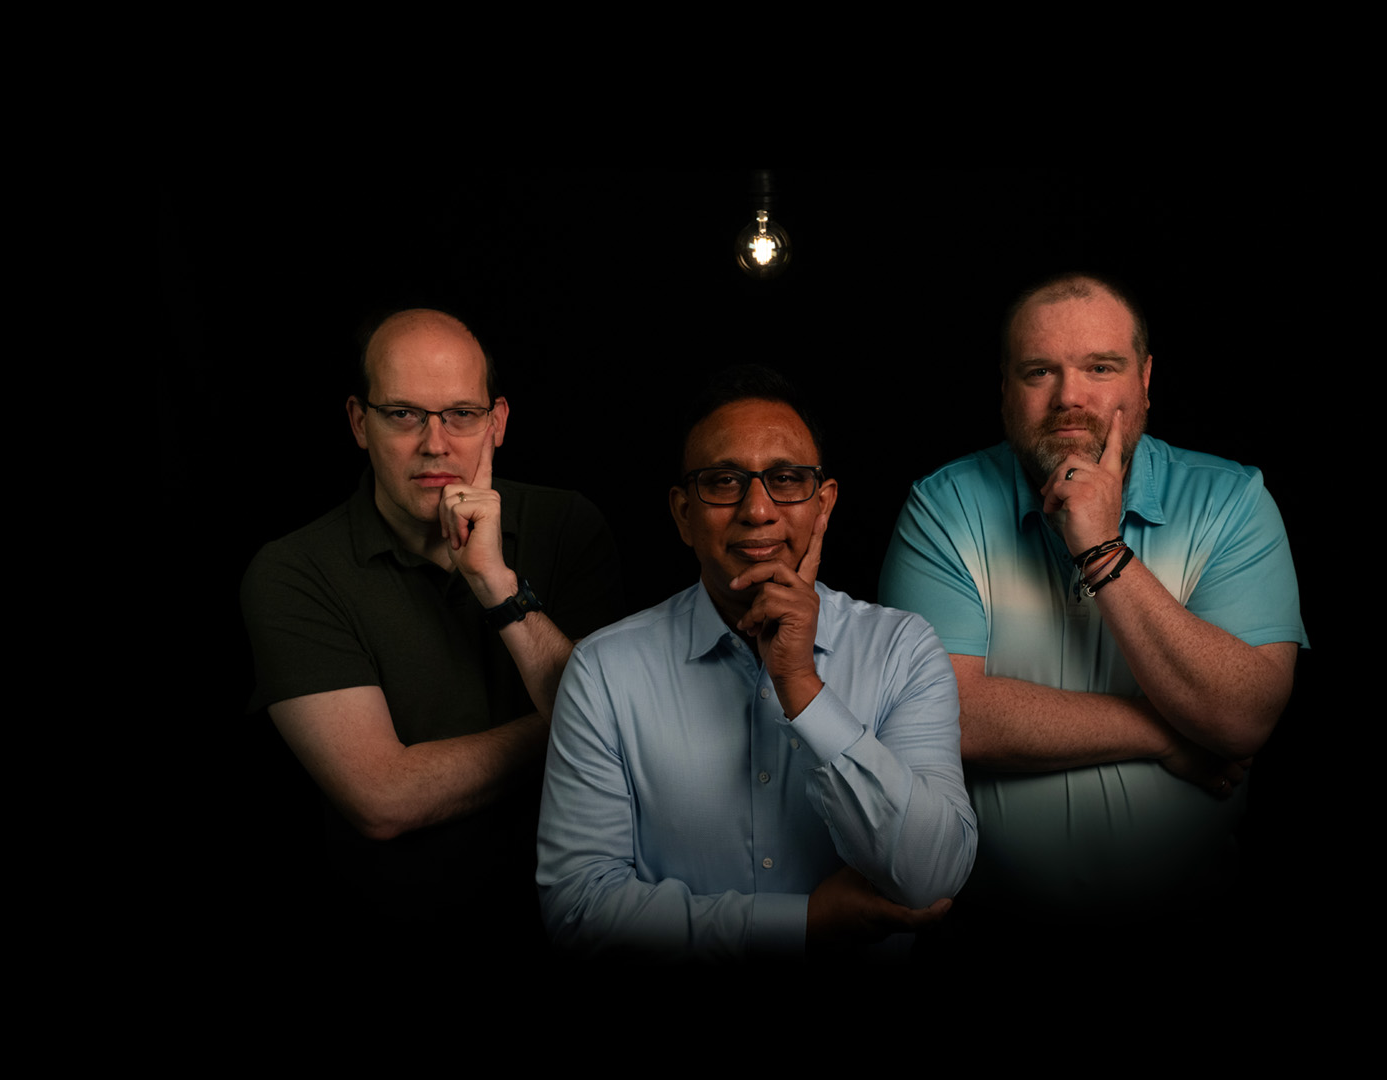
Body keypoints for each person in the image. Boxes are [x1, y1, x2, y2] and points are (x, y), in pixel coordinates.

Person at [878, 272, 1307, 949]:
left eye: (1100, 368)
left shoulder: (1232, 502)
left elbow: (1241, 715)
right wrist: (1165, 735)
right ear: (1005, 389)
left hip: (1199, 924)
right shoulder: (943, 507)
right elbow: (944, 717)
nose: (1069, 396)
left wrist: (1103, 549)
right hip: (988, 928)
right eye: (1039, 371)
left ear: (1144, 381)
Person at [536, 365, 975, 963]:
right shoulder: (604, 671)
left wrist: (802, 687)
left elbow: (933, 877)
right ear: (683, 513)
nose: (758, 510)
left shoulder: (903, 649)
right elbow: (579, 909)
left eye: (786, 479)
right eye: (723, 482)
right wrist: (802, 924)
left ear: (824, 506)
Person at [241, 309, 622, 960]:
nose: (435, 444)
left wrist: (498, 585)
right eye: (404, 415)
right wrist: (578, 724)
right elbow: (381, 796)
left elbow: (637, 745)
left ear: (497, 422)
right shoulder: (294, 571)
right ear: (360, 423)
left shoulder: (567, 525)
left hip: (593, 926)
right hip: (399, 943)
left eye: (460, 415)